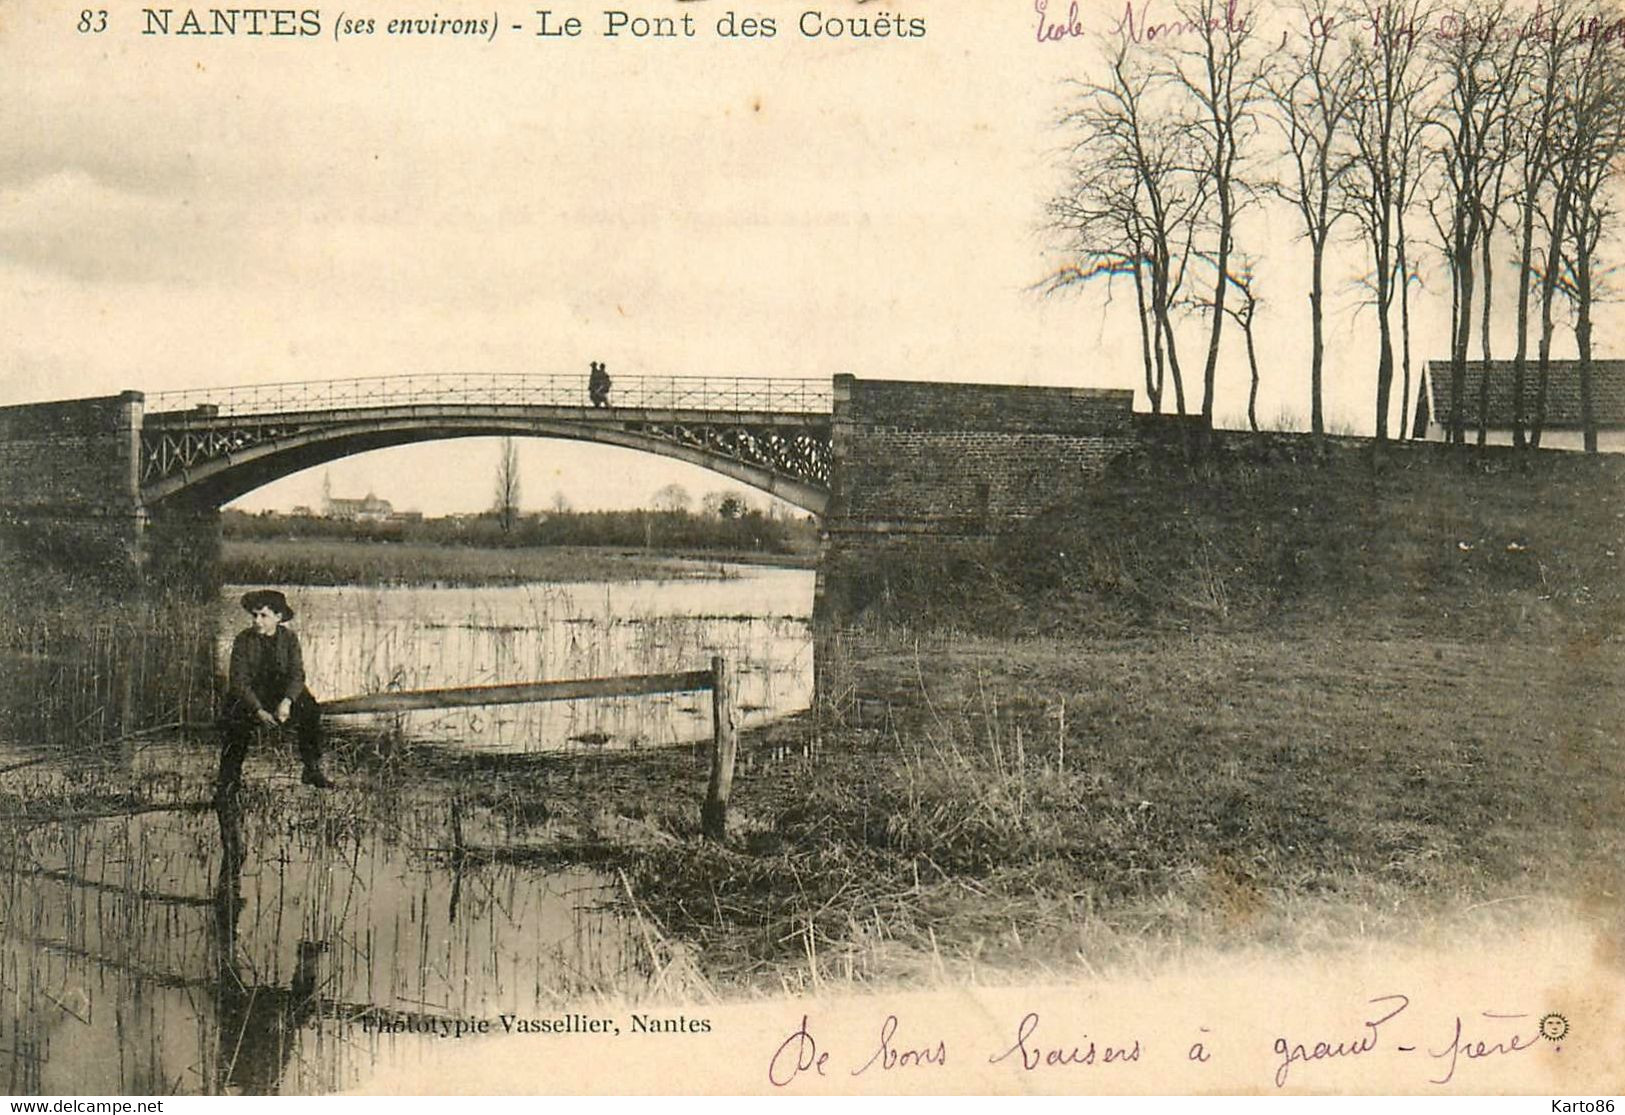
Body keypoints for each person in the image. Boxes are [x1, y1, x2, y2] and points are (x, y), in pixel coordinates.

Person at [219, 589, 333, 796]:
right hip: (251, 695)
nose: (257, 621)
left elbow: (297, 675)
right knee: (236, 721)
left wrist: (287, 701)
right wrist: (258, 710)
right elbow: (239, 681)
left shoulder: (289, 639)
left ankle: (311, 768)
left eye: (263, 616)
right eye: (254, 615)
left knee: (310, 709)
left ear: (278, 617)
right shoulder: (243, 640)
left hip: (279, 693)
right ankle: (229, 779)